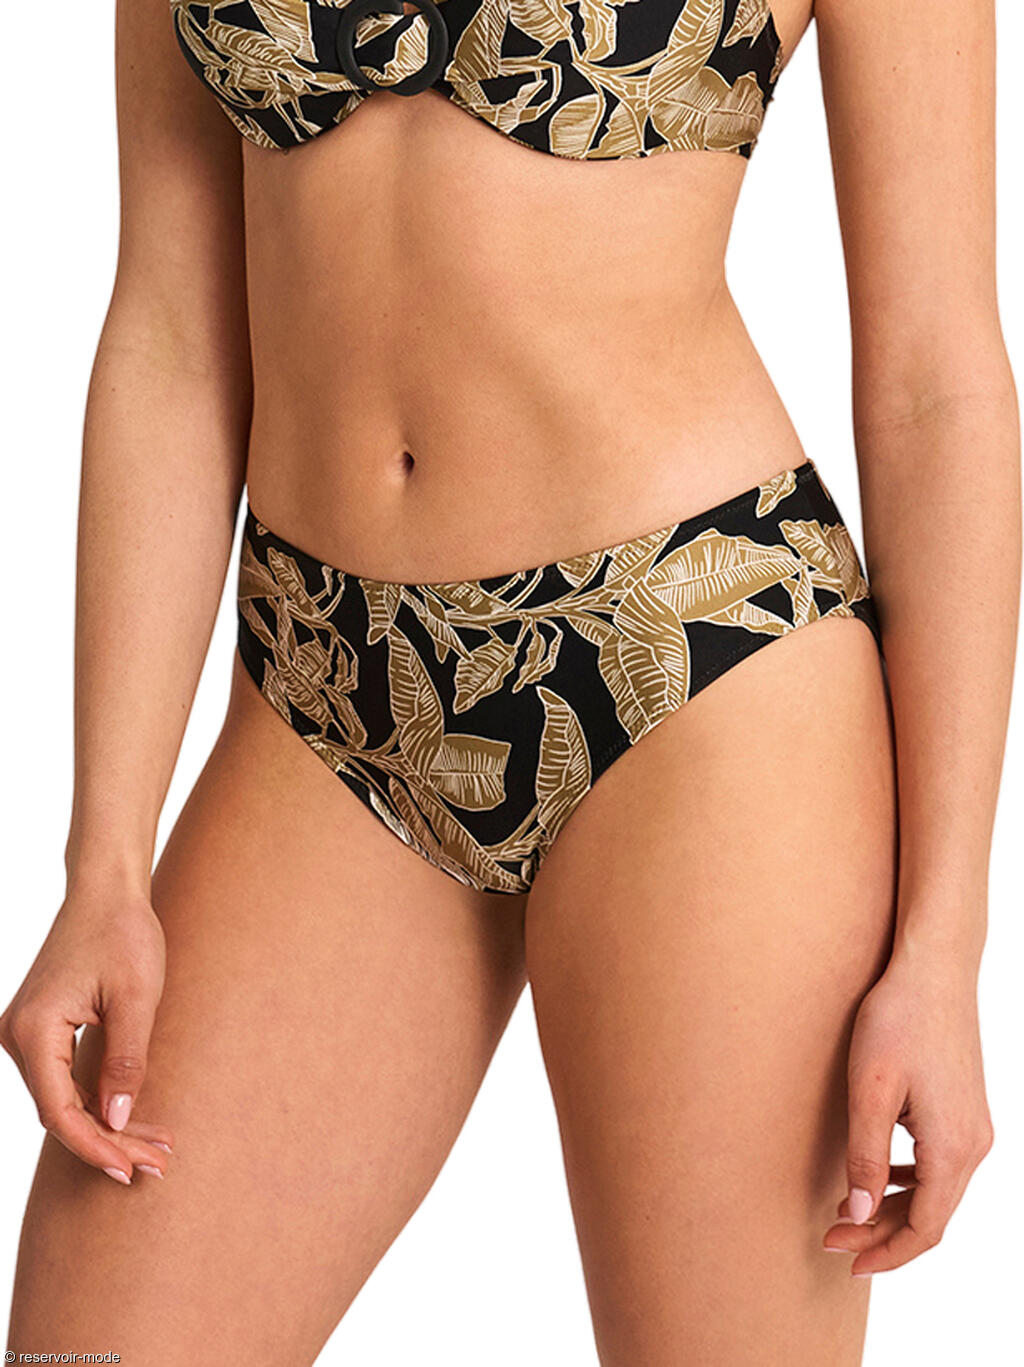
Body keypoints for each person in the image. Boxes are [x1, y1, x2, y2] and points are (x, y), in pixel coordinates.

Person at [2, 0, 1019, 1362]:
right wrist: (105, 861)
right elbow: (171, 340)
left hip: (694, 659)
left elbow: (936, 384)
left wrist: (944, 946)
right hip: (326, 679)